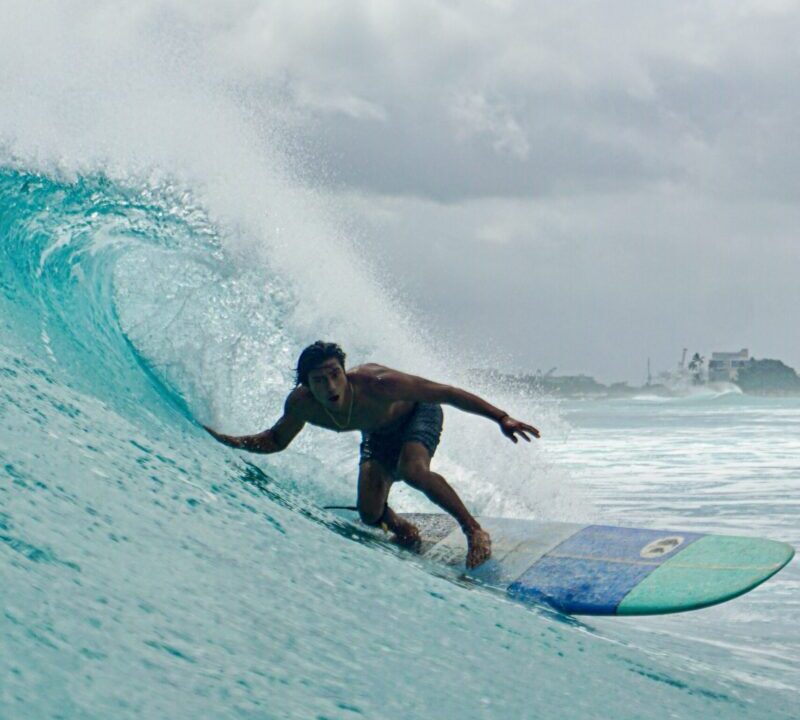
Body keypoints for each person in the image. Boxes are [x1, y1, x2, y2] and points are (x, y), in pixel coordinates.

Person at [203, 341, 539, 568]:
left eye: (335, 375)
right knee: (368, 514)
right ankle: (400, 525)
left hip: (418, 414)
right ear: (306, 384)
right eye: (319, 380)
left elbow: (446, 392)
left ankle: (472, 529)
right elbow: (276, 440)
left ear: (344, 371)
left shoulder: (380, 384)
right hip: (377, 434)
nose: (330, 386)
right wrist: (230, 441)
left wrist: (501, 417)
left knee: (413, 470)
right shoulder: (301, 405)